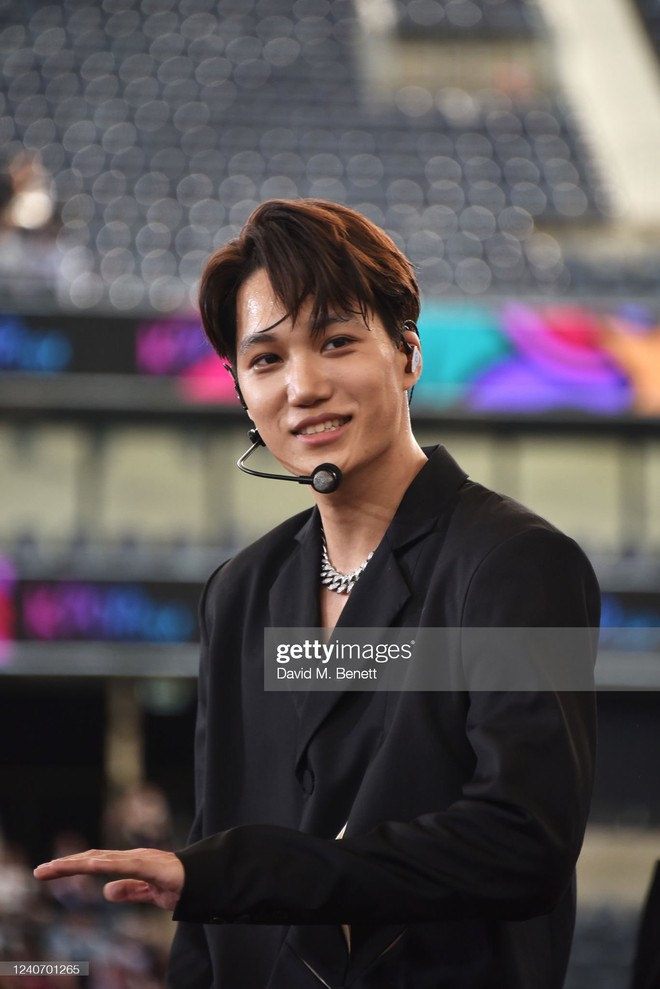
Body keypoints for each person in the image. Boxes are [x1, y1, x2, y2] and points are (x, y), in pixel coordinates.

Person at [35, 199, 600, 989]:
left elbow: (525, 843)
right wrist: (219, 884)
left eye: (337, 341)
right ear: (239, 389)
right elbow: (215, 857)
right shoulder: (239, 592)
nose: (303, 386)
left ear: (407, 353)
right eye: (265, 359)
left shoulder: (521, 564)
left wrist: (247, 872)